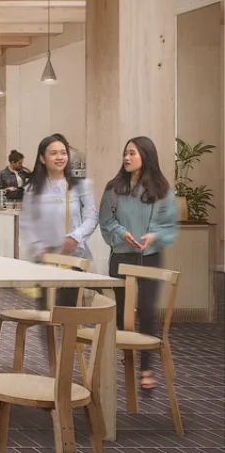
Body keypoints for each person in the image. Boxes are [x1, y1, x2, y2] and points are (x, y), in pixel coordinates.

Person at [99, 136, 179, 392]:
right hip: (121, 258)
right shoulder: (114, 188)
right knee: (123, 314)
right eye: (125, 153)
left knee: (146, 311)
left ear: (146, 156)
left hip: (150, 258)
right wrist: (123, 234)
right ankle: (129, 351)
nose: (126, 157)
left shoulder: (162, 190)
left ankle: (146, 367)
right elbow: (106, 222)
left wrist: (153, 236)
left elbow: (168, 226)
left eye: (132, 153)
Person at [20, 133, 98, 305]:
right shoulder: (33, 188)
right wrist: (38, 247)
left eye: (63, 153)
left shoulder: (80, 185)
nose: (60, 157)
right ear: (42, 158)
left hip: (72, 258)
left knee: (68, 312)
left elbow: (92, 217)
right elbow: (27, 222)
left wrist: (75, 237)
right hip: (45, 259)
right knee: (47, 315)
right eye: (53, 153)